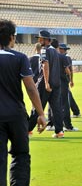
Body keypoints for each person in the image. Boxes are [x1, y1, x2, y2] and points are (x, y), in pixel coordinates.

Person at [0, 19, 47, 186]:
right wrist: (41, 114)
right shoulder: (19, 58)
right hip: (16, 115)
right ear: (12, 37)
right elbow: (31, 88)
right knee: (21, 155)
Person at [28, 30, 64, 138]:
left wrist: (46, 82)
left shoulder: (44, 50)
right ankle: (59, 131)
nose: (39, 40)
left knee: (37, 106)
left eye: (40, 38)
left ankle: (28, 130)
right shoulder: (54, 51)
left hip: (45, 83)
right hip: (56, 83)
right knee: (56, 108)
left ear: (46, 40)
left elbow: (45, 65)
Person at [58, 43, 79, 131]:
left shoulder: (57, 57)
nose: (65, 51)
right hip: (63, 82)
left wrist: (71, 80)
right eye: (64, 49)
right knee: (65, 103)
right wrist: (70, 79)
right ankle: (67, 124)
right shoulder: (65, 58)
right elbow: (69, 71)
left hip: (57, 82)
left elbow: (70, 70)